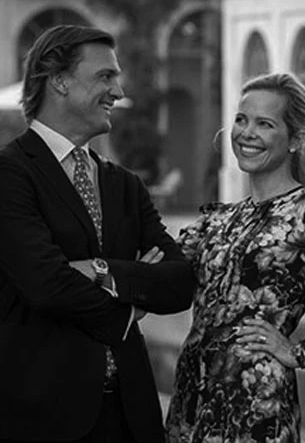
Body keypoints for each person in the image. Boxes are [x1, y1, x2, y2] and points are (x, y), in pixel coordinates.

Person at [165, 72, 305, 443]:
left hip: (255, 403)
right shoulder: (218, 220)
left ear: (295, 139)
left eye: (265, 124)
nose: (247, 133)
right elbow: (158, 271)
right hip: (192, 398)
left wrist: (302, 351)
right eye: (242, 119)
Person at [0, 25, 196, 443]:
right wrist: (129, 306)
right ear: (59, 80)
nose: (118, 91)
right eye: (105, 76)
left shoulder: (124, 184)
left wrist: (100, 269)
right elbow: (47, 285)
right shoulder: (10, 174)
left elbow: (180, 283)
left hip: (131, 415)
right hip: (44, 418)